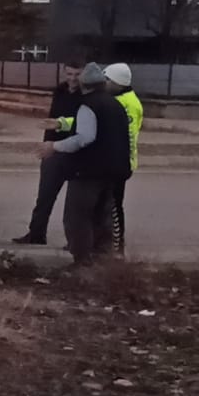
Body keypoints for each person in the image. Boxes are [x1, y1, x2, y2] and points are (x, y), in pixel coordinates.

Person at [38, 63, 130, 266]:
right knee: (101, 217)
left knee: (77, 217)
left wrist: (54, 146)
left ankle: (82, 262)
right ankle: (103, 262)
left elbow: (84, 138)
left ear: (84, 84)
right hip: (113, 171)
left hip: (88, 171)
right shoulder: (115, 104)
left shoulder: (88, 105)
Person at [13, 58, 84, 245]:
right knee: (44, 196)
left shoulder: (87, 95)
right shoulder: (59, 91)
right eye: (69, 74)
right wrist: (47, 145)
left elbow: (83, 125)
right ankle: (36, 234)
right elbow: (51, 120)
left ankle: (76, 241)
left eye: (77, 74)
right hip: (53, 149)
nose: (73, 78)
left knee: (76, 203)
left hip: (77, 150)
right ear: (64, 72)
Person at [104, 63, 143, 254]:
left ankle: (118, 246)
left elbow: (127, 135)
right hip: (111, 160)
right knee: (103, 204)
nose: (105, 83)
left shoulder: (129, 104)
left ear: (118, 83)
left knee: (114, 206)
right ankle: (101, 241)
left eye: (108, 80)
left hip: (120, 162)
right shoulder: (118, 99)